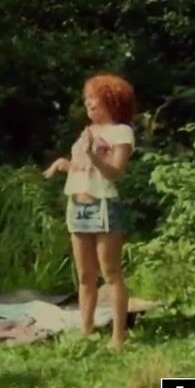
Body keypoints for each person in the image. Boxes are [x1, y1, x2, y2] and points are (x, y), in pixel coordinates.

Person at [43, 73, 136, 349]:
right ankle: (86, 332)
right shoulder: (87, 131)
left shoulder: (121, 132)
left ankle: (118, 337)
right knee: (85, 275)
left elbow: (114, 172)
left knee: (110, 272)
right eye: (87, 100)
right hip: (77, 207)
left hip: (103, 206)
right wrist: (64, 164)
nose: (89, 105)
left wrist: (95, 156)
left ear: (111, 101)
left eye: (94, 99)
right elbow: (82, 167)